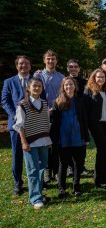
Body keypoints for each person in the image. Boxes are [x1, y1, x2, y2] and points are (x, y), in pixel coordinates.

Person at [13, 78, 52, 209]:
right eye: (34, 86)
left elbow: (46, 122)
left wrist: (48, 140)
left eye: (39, 86)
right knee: (33, 170)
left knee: (42, 168)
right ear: (28, 88)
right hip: (30, 142)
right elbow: (20, 126)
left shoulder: (45, 103)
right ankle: (35, 199)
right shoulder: (22, 105)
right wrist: (24, 142)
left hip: (44, 140)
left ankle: (39, 194)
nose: (37, 88)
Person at [51, 77, 89, 198]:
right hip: (64, 138)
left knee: (78, 164)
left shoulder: (80, 101)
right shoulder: (57, 102)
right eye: (66, 85)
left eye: (71, 84)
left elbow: (84, 120)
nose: (69, 87)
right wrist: (54, 139)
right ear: (63, 87)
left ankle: (76, 186)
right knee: (63, 164)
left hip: (78, 137)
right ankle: (61, 188)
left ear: (75, 86)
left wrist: (86, 137)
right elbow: (55, 123)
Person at [1, 55, 32, 195]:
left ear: (30, 66)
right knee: (17, 154)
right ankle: (18, 183)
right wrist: (16, 115)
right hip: (16, 125)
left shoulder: (35, 81)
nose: (23, 66)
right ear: (16, 66)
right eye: (21, 64)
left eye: (26, 64)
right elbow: (5, 101)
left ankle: (36, 181)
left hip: (33, 123)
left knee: (35, 153)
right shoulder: (9, 82)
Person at [34, 49, 64, 183]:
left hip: (57, 113)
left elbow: (63, 95)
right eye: (48, 59)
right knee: (44, 143)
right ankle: (46, 171)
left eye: (53, 59)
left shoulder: (61, 77)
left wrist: (55, 107)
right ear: (44, 60)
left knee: (56, 143)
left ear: (56, 61)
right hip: (41, 114)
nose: (50, 61)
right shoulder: (38, 75)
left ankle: (56, 170)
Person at [84, 69, 106, 188]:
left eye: (103, 77)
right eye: (98, 77)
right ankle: (101, 180)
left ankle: (102, 178)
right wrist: (86, 127)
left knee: (103, 151)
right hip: (95, 125)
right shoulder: (89, 91)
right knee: (102, 150)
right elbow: (86, 111)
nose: (100, 79)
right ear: (94, 78)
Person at [66, 59, 88, 176]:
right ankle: (70, 167)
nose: (73, 69)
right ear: (67, 69)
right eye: (71, 67)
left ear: (79, 69)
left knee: (82, 141)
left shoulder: (85, 82)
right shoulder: (65, 81)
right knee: (69, 141)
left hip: (82, 116)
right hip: (68, 115)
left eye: (75, 67)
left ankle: (81, 166)